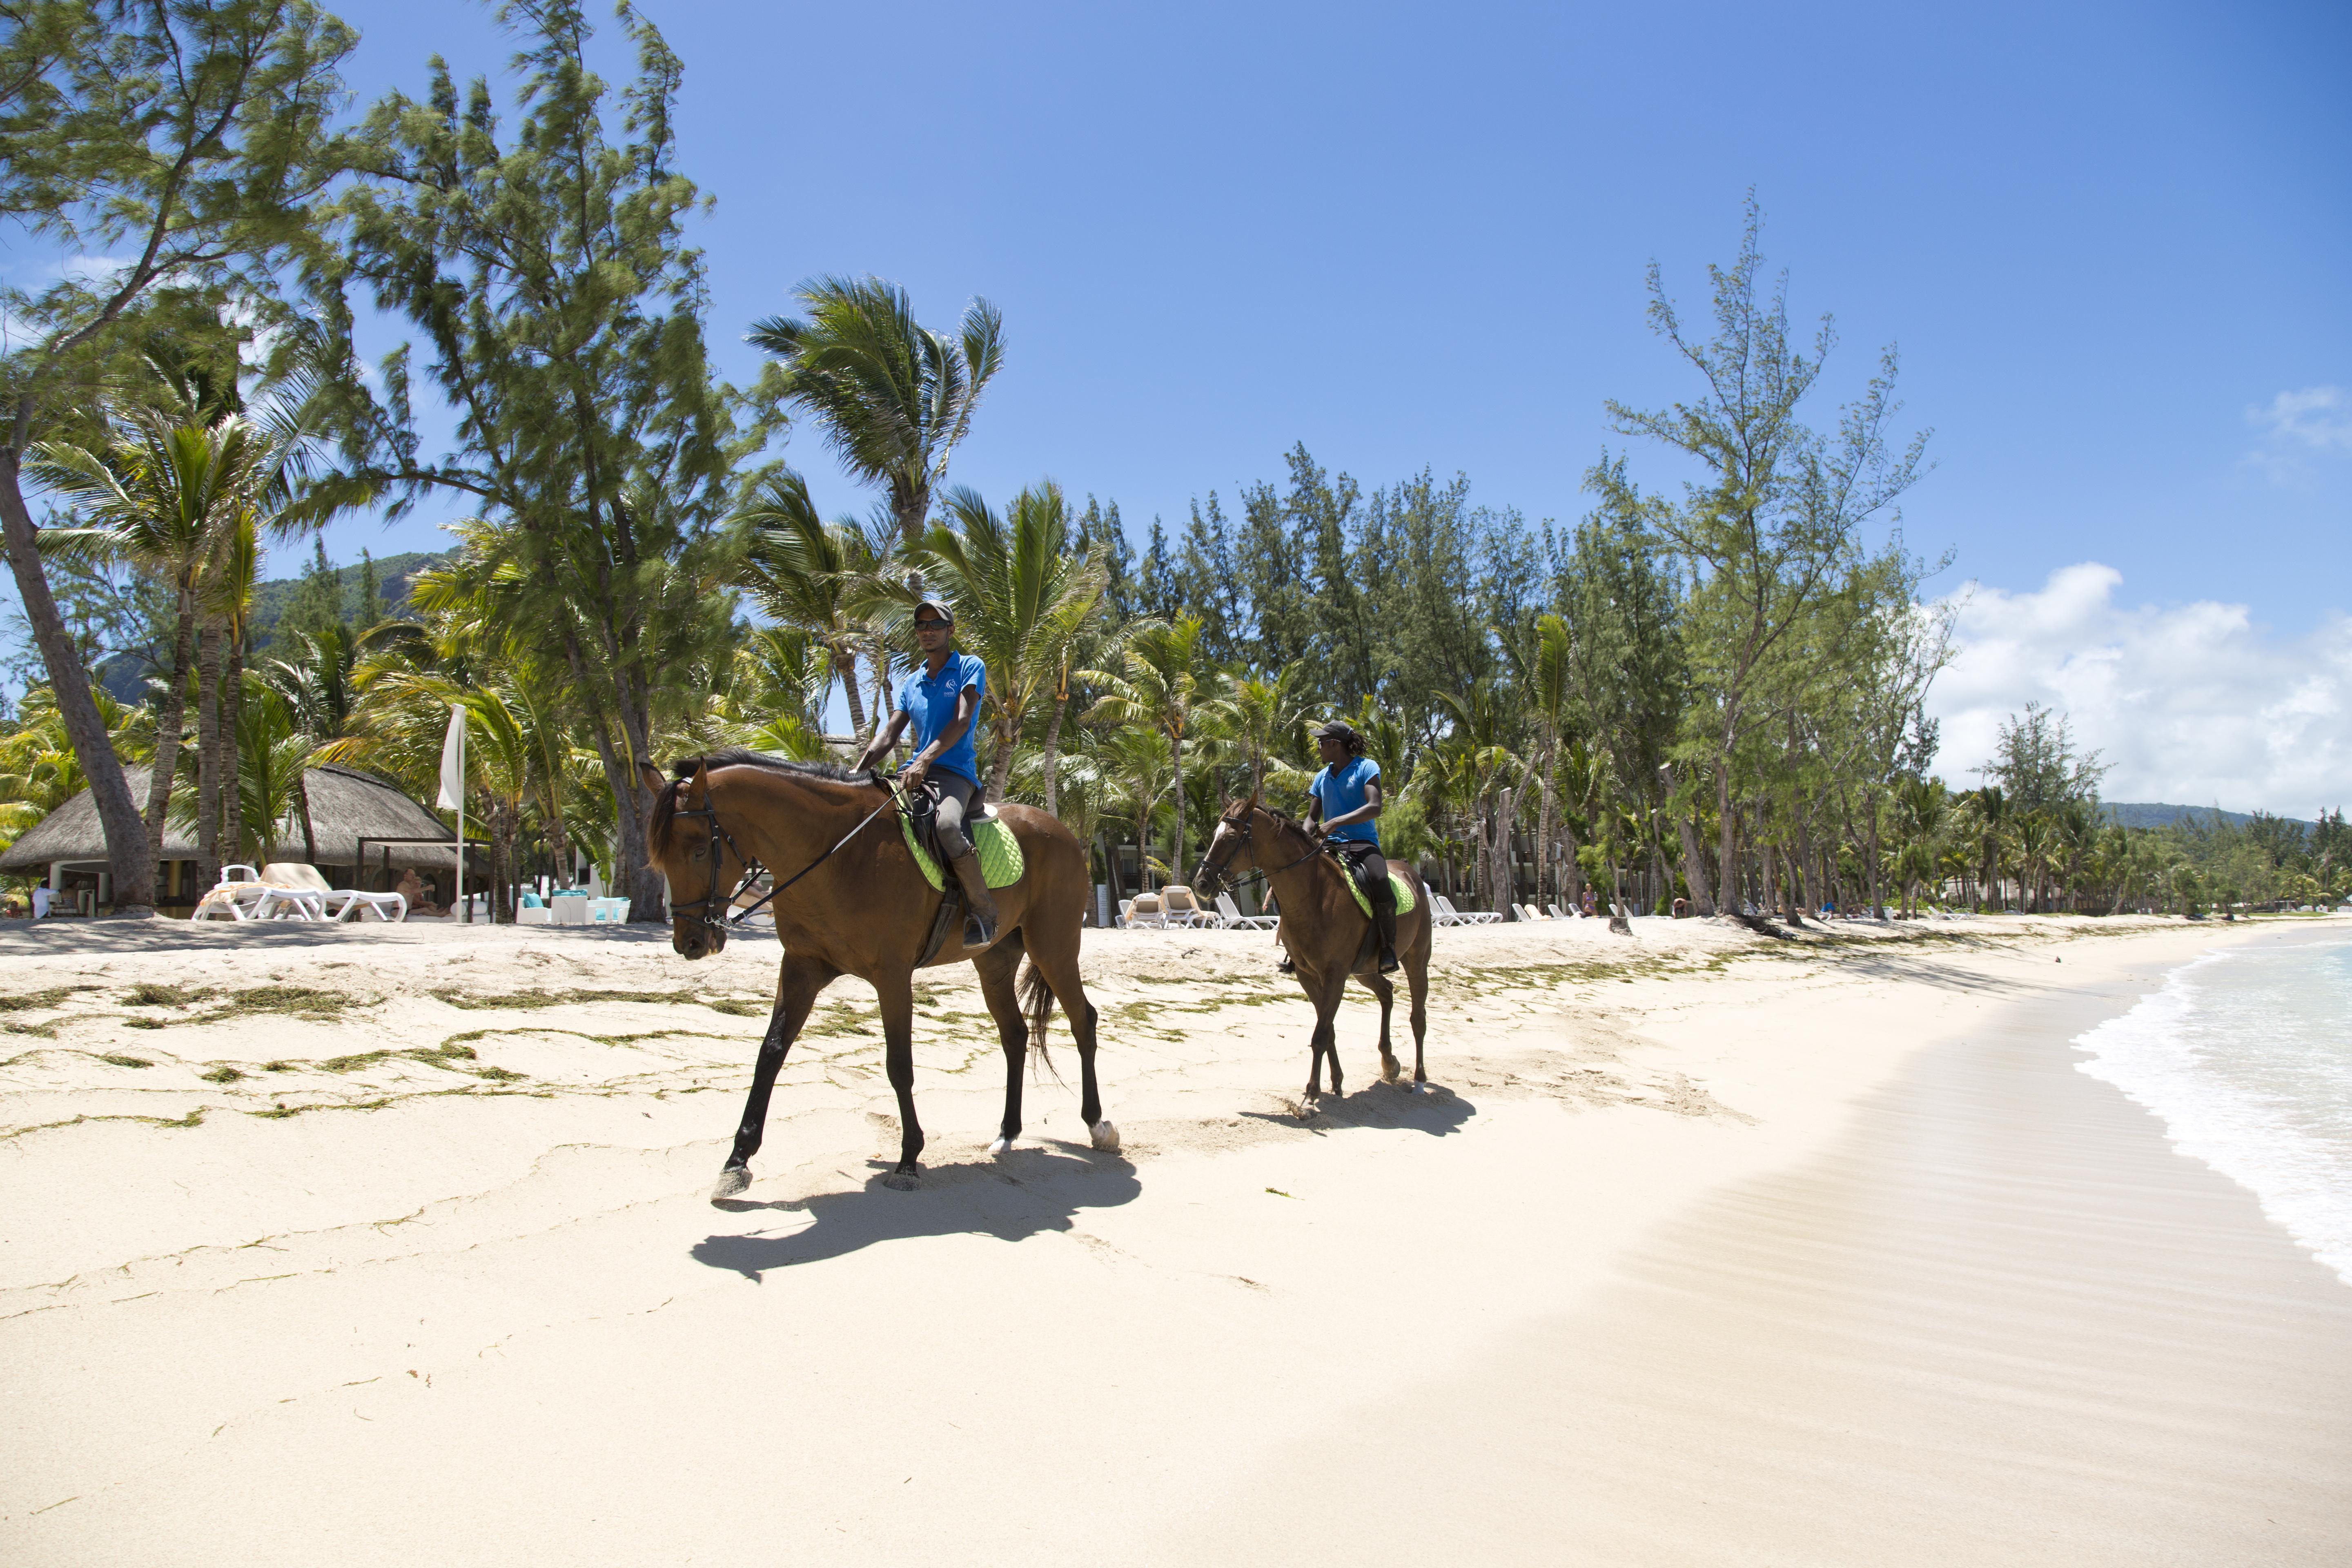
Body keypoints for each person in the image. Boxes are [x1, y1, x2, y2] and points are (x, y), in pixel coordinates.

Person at [855, 596, 998, 947]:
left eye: (936, 625)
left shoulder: (969, 667)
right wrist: (854, 772)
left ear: (950, 630)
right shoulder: (911, 683)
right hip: (912, 772)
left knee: (947, 826)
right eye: (922, 625)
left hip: (954, 773)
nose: (928, 631)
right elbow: (889, 735)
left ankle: (983, 914)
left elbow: (962, 721)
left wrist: (925, 759)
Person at [1303, 717, 1398, 974]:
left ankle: (1388, 947)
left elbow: (1375, 807)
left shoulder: (1366, 768)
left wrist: (1335, 822)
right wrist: (1304, 838)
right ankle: (1298, 949)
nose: (1319, 747)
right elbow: (1312, 817)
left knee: (1380, 879)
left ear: (1335, 743)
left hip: (1362, 844)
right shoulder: (1322, 777)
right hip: (1330, 847)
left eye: (1322, 742)